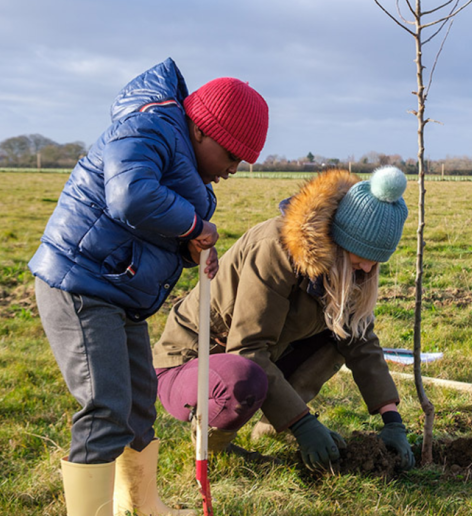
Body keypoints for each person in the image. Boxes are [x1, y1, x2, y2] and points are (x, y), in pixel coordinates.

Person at [29, 57, 269, 516]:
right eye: (232, 154)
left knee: (140, 401)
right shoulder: (148, 127)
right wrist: (194, 225)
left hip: (117, 292)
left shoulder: (180, 156)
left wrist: (189, 246)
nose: (235, 168)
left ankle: (139, 503)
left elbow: (146, 225)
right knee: (105, 405)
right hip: (79, 285)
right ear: (200, 129)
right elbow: (130, 197)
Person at [152, 166, 416, 473]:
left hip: (254, 356)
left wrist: (392, 418)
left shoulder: (351, 266)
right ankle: (213, 445)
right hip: (193, 363)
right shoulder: (275, 249)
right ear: (341, 240)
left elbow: (360, 338)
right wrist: (304, 424)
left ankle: (273, 426)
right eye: (362, 257)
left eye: (376, 262)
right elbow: (247, 348)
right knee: (242, 376)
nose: (368, 269)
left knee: (339, 336)